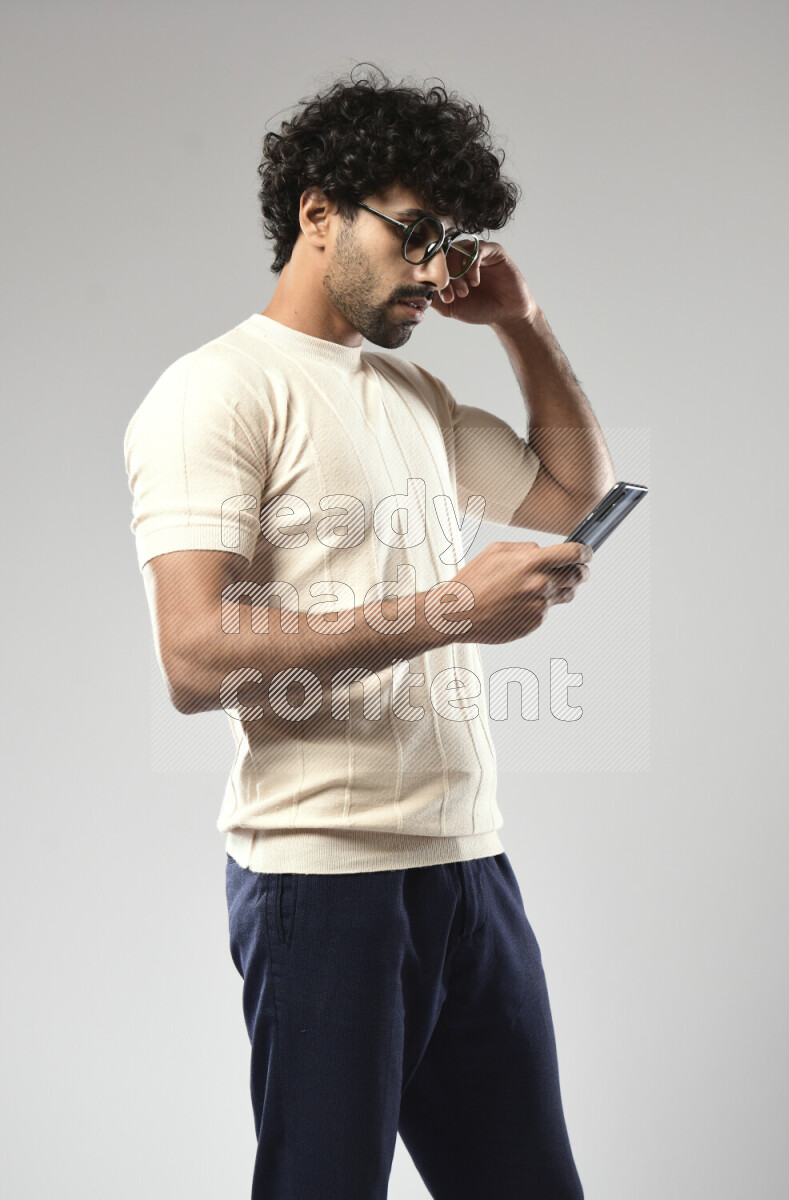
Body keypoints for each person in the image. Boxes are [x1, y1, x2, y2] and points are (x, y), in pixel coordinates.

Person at [123, 62, 615, 1200]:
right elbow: (192, 656)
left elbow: (572, 495)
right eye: (415, 234)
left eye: (453, 243)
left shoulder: (414, 397)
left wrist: (523, 323)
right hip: (325, 883)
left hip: (467, 865)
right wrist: (449, 610)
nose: (436, 271)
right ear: (317, 214)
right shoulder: (216, 391)